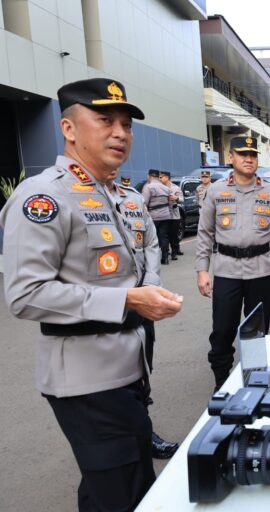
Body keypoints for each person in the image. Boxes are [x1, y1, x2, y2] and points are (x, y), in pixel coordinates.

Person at [0, 78, 183, 511]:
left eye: (126, 124)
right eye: (105, 120)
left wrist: (148, 286)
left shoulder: (123, 193)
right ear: (68, 129)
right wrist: (127, 301)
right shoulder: (45, 197)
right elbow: (25, 294)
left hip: (129, 365)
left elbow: (149, 246)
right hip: (85, 379)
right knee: (124, 493)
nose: (120, 133)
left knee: (122, 483)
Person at [195, 136, 270, 390]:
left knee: (258, 331)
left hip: (261, 270)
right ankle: (222, 382)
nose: (249, 159)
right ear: (231, 157)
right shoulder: (216, 190)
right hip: (226, 270)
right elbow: (204, 232)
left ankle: (255, 380)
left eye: (253, 154)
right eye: (242, 154)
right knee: (223, 330)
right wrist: (202, 270)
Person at [106, 171, 179, 460]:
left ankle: (144, 433)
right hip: (103, 310)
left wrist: (150, 284)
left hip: (141, 305)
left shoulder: (133, 199)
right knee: (110, 384)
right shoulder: (75, 198)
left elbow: (150, 244)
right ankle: (121, 443)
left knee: (142, 370)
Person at [142, 168, 172, 264]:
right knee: (164, 236)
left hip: (153, 216)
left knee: (152, 238)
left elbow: (144, 203)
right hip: (166, 215)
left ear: (149, 176)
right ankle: (165, 258)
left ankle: (152, 260)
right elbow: (170, 203)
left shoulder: (148, 187)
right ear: (158, 176)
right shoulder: (166, 188)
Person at [159, 170, 183, 260]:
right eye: (159, 177)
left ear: (167, 178)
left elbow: (182, 199)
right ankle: (165, 251)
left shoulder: (176, 188)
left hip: (174, 215)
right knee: (164, 235)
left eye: (162, 177)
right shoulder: (159, 188)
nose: (160, 178)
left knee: (173, 235)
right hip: (163, 215)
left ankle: (174, 252)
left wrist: (175, 198)